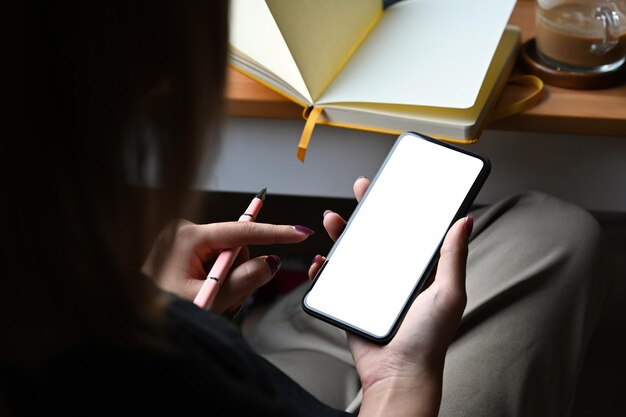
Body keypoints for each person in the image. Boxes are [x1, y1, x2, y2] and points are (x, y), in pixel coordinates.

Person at [2, 1, 615, 416]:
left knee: (532, 233)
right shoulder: (132, 369)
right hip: (367, 391)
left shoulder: (58, 299)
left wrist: (160, 304)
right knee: (558, 231)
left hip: (252, 354)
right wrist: (400, 381)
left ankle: (290, 320)